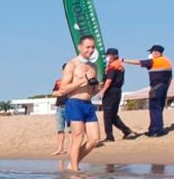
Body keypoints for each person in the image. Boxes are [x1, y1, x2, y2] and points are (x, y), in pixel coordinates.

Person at [54, 35, 101, 171]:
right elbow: (63, 89)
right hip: (74, 103)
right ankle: (75, 169)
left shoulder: (93, 66)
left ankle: (73, 163)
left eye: (92, 47)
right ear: (80, 47)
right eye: (87, 47)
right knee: (78, 137)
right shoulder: (72, 64)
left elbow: (92, 91)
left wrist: (97, 87)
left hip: (88, 104)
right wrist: (82, 81)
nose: (90, 50)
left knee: (95, 139)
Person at [123, 44, 173, 137]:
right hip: (164, 87)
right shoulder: (167, 61)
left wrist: (123, 60)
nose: (150, 54)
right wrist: (166, 88)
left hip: (156, 87)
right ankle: (152, 129)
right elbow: (170, 77)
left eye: (151, 52)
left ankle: (157, 130)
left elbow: (138, 62)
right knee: (159, 108)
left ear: (157, 53)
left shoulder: (153, 61)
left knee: (154, 108)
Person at [97, 48, 136, 141]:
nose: (107, 57)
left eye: (108, 55)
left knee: (108, 115)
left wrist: (102, 91)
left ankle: (110, 136)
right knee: (113, 115)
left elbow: (109, 80)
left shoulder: (113, 66)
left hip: (111, 91)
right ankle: (127, 131)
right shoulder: (119, 65)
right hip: (117, 91)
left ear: (113, 56)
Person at [51, 64, 70, 156]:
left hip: (69, 107)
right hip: (59, 107)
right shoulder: (58, 82)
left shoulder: (73, 81)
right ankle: (60, 148)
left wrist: (62, 92)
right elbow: (54, 93)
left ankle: (70, 148)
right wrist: (61, 92)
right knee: (60, 129)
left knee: (71, 129)